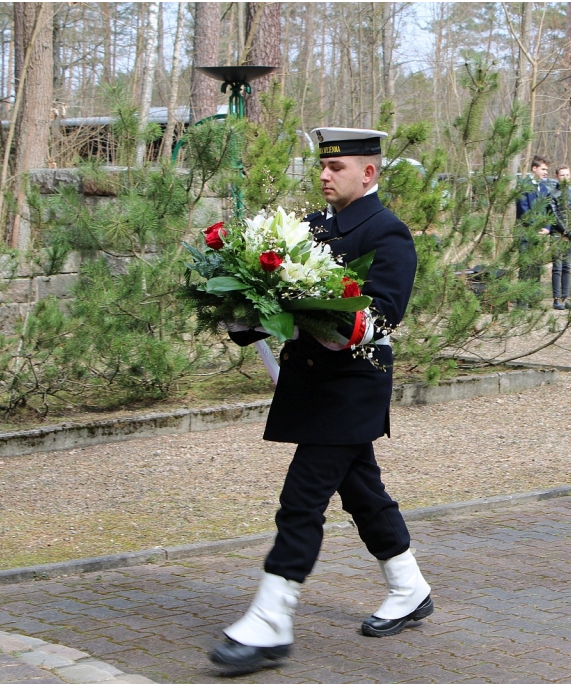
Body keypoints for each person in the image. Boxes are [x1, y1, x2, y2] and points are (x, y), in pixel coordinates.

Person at [210, 127, 432, 670]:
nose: (325, 175)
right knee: (361, 492)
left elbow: (382, 314)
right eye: (322, 168)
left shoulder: (387, 232)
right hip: (312, 384)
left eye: (337, 168)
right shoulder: (308, 228)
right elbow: (271, 297)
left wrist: (310, 305)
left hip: (351, 386)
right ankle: (409, 587)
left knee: (302, 500)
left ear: (369, 173)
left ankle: (269, 621)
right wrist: (243, 305)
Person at [515, 155, 555, 291]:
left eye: (547, 170)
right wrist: (537, 226)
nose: (545, 173)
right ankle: (522, 299)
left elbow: (549, 210)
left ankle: (534, 298)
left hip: (540, 234)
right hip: (526, 233)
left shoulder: (544, 189)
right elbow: (524, 210)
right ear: (534, 168)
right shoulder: (524, 186)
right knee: (525, 265)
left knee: (537, 265)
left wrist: (548, 228)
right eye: (543, 169)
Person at [550, 165, 571, 310]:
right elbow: (554, 216)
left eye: (567, 175)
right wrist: (565, 232)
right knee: (557, 267)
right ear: (557, 176)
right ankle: (556, 299)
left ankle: (566, 297)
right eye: (562, 175)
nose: (565, 178)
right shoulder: (552, 194)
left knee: (567, 267)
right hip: (557, 235)